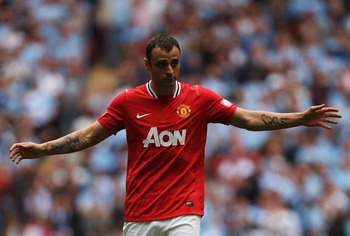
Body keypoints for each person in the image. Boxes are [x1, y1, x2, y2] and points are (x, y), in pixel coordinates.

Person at [10, 34, 341, 236]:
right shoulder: (128, 102)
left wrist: (300, 118)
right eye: (162, 64)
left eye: (174, 63)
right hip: (139, 212)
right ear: (147, 64)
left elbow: (250, 119)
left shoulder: (201, 98)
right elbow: (88, 136)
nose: (169, 70)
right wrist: (42, 150)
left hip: (184, 211)